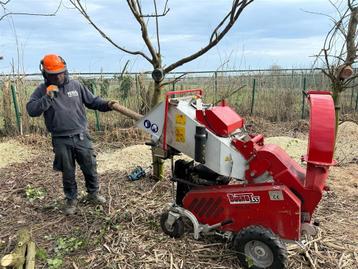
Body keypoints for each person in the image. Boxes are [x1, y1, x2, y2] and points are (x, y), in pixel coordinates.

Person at [26, 54, 118, 215]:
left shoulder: (76, 86)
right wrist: (47, 98)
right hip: (60, 139)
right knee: (67, 171)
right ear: (46, 74)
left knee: (90, 166)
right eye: (54, 74)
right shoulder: (42, 90)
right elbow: (31, 110)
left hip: (81, 135)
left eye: (61, 72)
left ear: (65, 69)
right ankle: (71, 199)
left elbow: (93, 101)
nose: (59, 76)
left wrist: (108, 104)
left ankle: (93, 193)